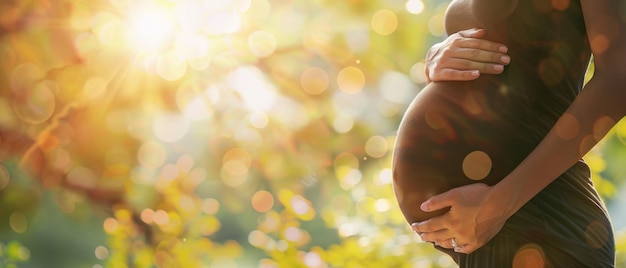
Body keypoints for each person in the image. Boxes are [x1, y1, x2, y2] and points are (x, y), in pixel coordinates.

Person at [392, 0, 624, 266]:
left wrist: (498, 205)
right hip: (496, 231)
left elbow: (618, 81)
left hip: (543, 224)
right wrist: (437, 56)